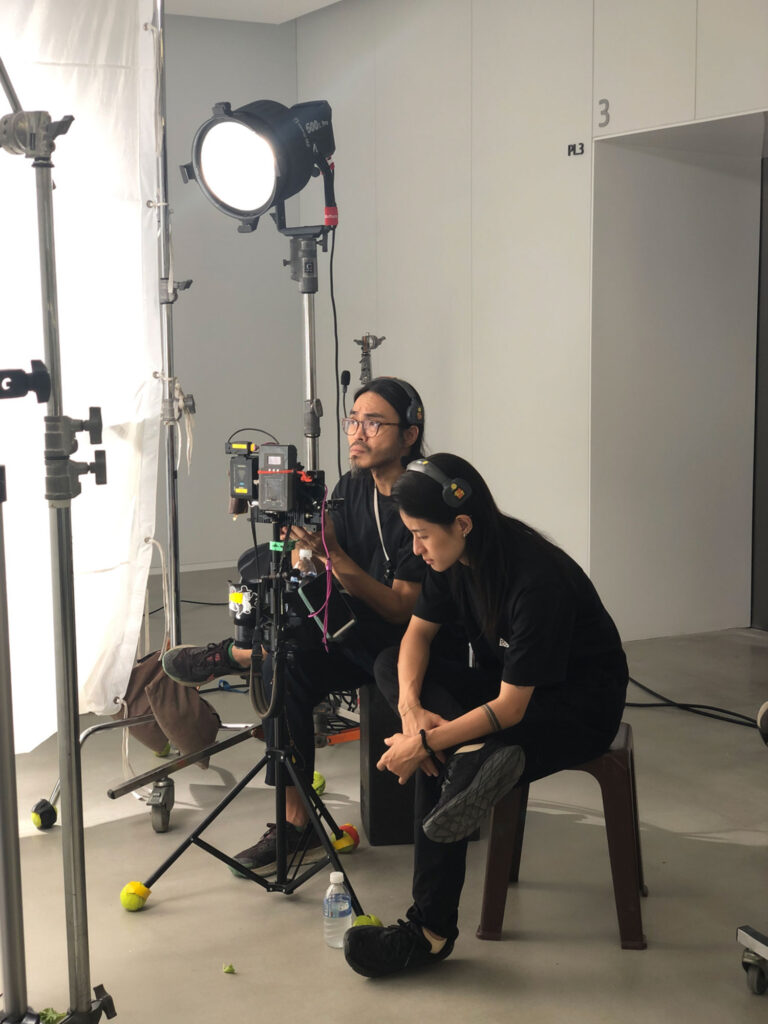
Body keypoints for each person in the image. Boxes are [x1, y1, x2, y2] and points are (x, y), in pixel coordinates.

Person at [343, 453, 629, 978]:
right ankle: (473, 756)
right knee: (393, 670)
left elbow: (512, 707)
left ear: (462, 524)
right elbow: (415, 637)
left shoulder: (535, 580)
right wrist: (413, 715)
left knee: (449, 752)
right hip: (511, 693)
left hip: (576, 708)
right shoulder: (453, 560)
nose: (416, 549)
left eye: (422, 535)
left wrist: (425, 745)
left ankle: (428, 932)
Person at [162, 377, 431, 874]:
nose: (358, 433)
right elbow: (323, 564)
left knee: (284, 645)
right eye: (353, 421)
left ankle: (237, 655)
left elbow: (400, 610)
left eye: (374, 423)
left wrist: (333, 557)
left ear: (409, 434)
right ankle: (295, 823)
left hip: (402, 644)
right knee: (283, 660)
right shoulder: (351, 487)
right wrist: (305, 551)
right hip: (347, 627)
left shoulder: (420, 499)